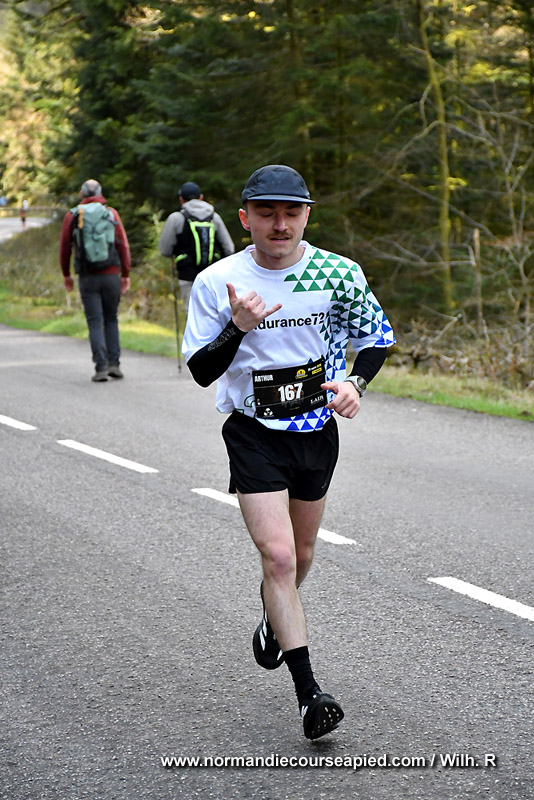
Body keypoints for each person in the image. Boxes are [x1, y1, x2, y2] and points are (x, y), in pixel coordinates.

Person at [182, 164, 396, 740]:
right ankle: (309, 695)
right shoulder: (218, 281)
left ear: (306, 215)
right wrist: (237, 327)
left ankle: (274, 619)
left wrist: (355, 383)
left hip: (316, 431)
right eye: (267, 213)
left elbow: (376, 338)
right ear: (244, 217)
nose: (280, 225)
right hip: (253, 431)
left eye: (291, 212)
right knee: (277, 557)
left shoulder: (337, 273)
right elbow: (201, 371)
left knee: (300, 555)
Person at [59, 179, 131, 382]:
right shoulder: (111, 213)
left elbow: (64, 248)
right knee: (111, 318)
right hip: (111, 274)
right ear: (100, 193)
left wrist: (66, 274)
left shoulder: (73, 215)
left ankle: (101, 368)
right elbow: (123, 245)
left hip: (87, 276)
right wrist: (125, 274)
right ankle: (114, 364)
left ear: (82, 194)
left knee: (95, 321)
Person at [158, 181, 235, 311]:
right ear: (201, 197)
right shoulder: (214, 218)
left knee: (192, 313)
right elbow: (229, 249)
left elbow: (165, 250)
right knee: (213, 312)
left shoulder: (176, 218)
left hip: (187, 275)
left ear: (181, 200)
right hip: (212, 275)